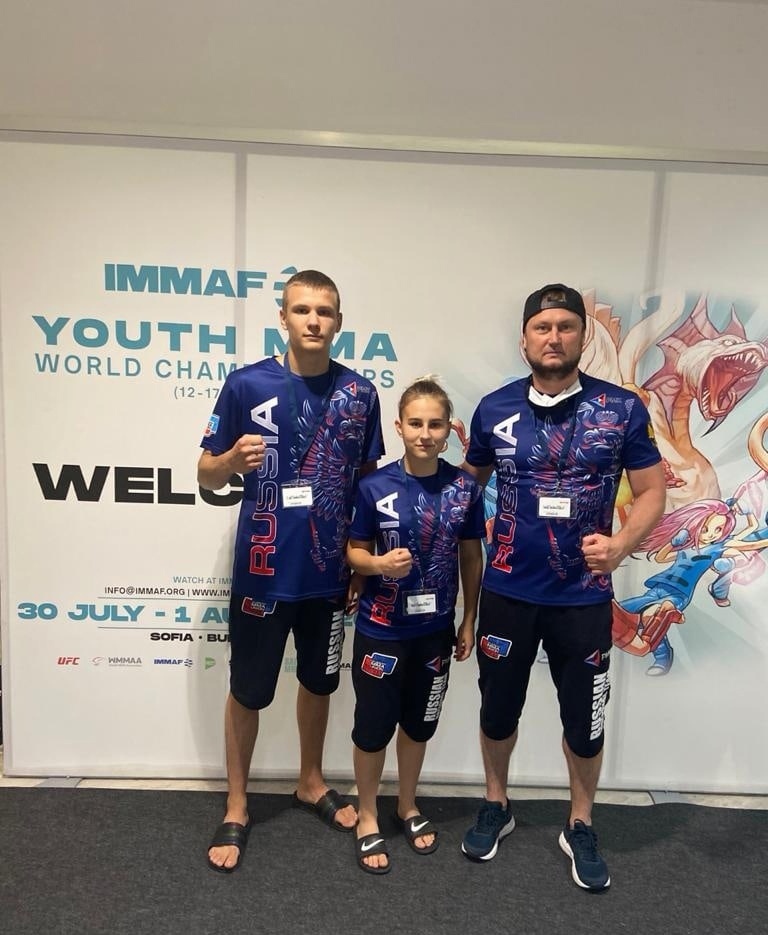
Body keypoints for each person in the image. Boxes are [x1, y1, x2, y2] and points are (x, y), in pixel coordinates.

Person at [459, 283, 666, 891]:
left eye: (565, 326)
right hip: (507, 592)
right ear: (524, 338)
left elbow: (653, 491)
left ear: (582, 336)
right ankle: (496, 803)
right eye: (542, 327)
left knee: (584, 720)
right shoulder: (494, 408)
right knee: (498, 710)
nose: (553, 338)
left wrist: (622, 545)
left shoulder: (621, 409)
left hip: (582, 598)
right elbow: (465, 488)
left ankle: (580, 822)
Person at [198, 269, 384, 873]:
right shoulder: (246, 384)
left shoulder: (360, 394)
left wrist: (362, 564)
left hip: (328, 575)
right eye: (302, 309)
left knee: (320, 683)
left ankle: (310, 780)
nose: (313, 321)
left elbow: (368, 488)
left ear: (338, 321)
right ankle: (237, 802)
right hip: (263, 571)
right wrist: (230, 459)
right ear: (283, 317)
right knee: (248, 690)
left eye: (324, 311)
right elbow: (205, 475)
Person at [346, 377, 484, 874]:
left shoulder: (464, 489)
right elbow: (353, 552)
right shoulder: (373, 486)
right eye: (416, 423)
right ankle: (367, 814)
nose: (425, 434)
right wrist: (378, 566)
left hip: (434, 633)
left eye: (436, 424)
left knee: (419, 724)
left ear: (448, 430)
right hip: (381, 630)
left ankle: (406, 804)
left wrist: (469, 618)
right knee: (372, 728)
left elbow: (472, 556)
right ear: (400, 427)